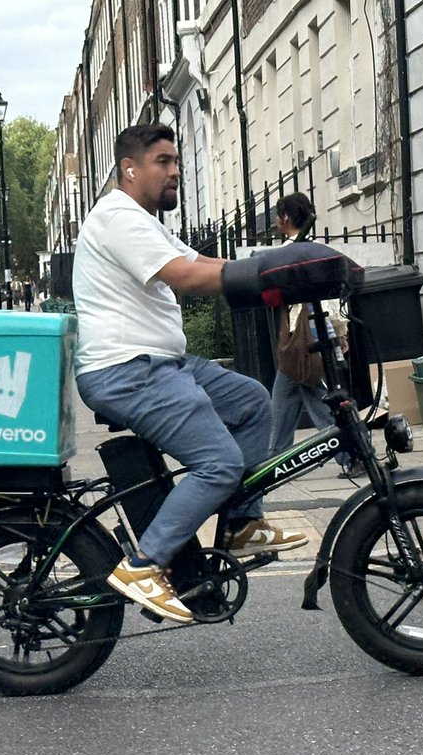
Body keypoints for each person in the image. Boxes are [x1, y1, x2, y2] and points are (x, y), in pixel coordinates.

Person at [74, 124, 308, 623]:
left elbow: (200, 259)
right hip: (127, 369)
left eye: (176, 161)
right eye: (163, 161)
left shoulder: (143, 219)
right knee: (218, 463)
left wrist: (277, 270)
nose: (175, 170)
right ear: (129, 169)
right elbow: (184, 275)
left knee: (250, 401)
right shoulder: (119, 218)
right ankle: (144, 565)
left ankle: (240, 525)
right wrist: (269, 276)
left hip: (161, 363)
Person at [267, 194, 360, 478]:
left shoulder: (286, 253)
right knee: (283, 400)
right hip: (316, 332)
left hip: (301, 337)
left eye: (277, 216)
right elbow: (330, 298)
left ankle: (352, 454)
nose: (275, 222)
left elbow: (273, 297)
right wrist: (339, 330)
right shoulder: (315, 250)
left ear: (285, 218)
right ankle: (274, 461)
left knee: (323, 401)